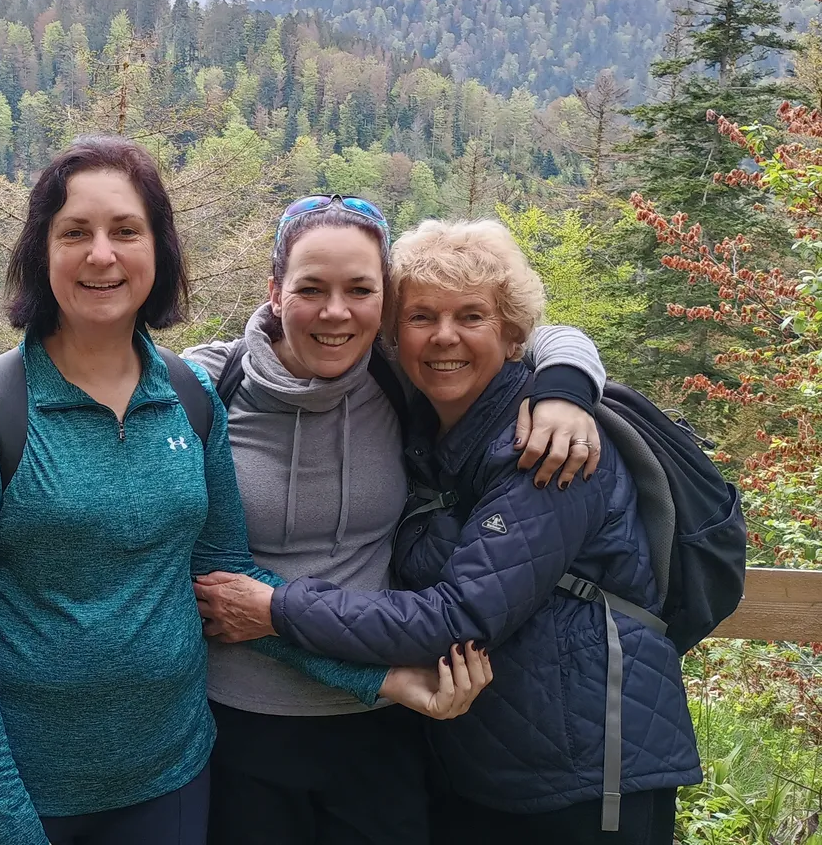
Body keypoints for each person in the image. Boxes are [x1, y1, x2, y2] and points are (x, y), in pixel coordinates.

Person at [0, 137, 491, 845]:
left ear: (160, 251)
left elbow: (229, 586)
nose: (101, 255)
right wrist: (8, 828)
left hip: (169, 782)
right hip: (12, 795)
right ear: (41, 252)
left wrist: (382, 682)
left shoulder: (189, 397)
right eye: (74, 233)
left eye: (126, 231)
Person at [195, 218, 701, 845]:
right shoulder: (427, 427)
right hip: (469, 751)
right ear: (394, 332)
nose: (444, 337)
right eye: (421, 316)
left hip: (587, 761)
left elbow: (456, 616)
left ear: (511, 333)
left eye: (472, 316)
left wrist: (276, 608)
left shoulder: (548, 449)